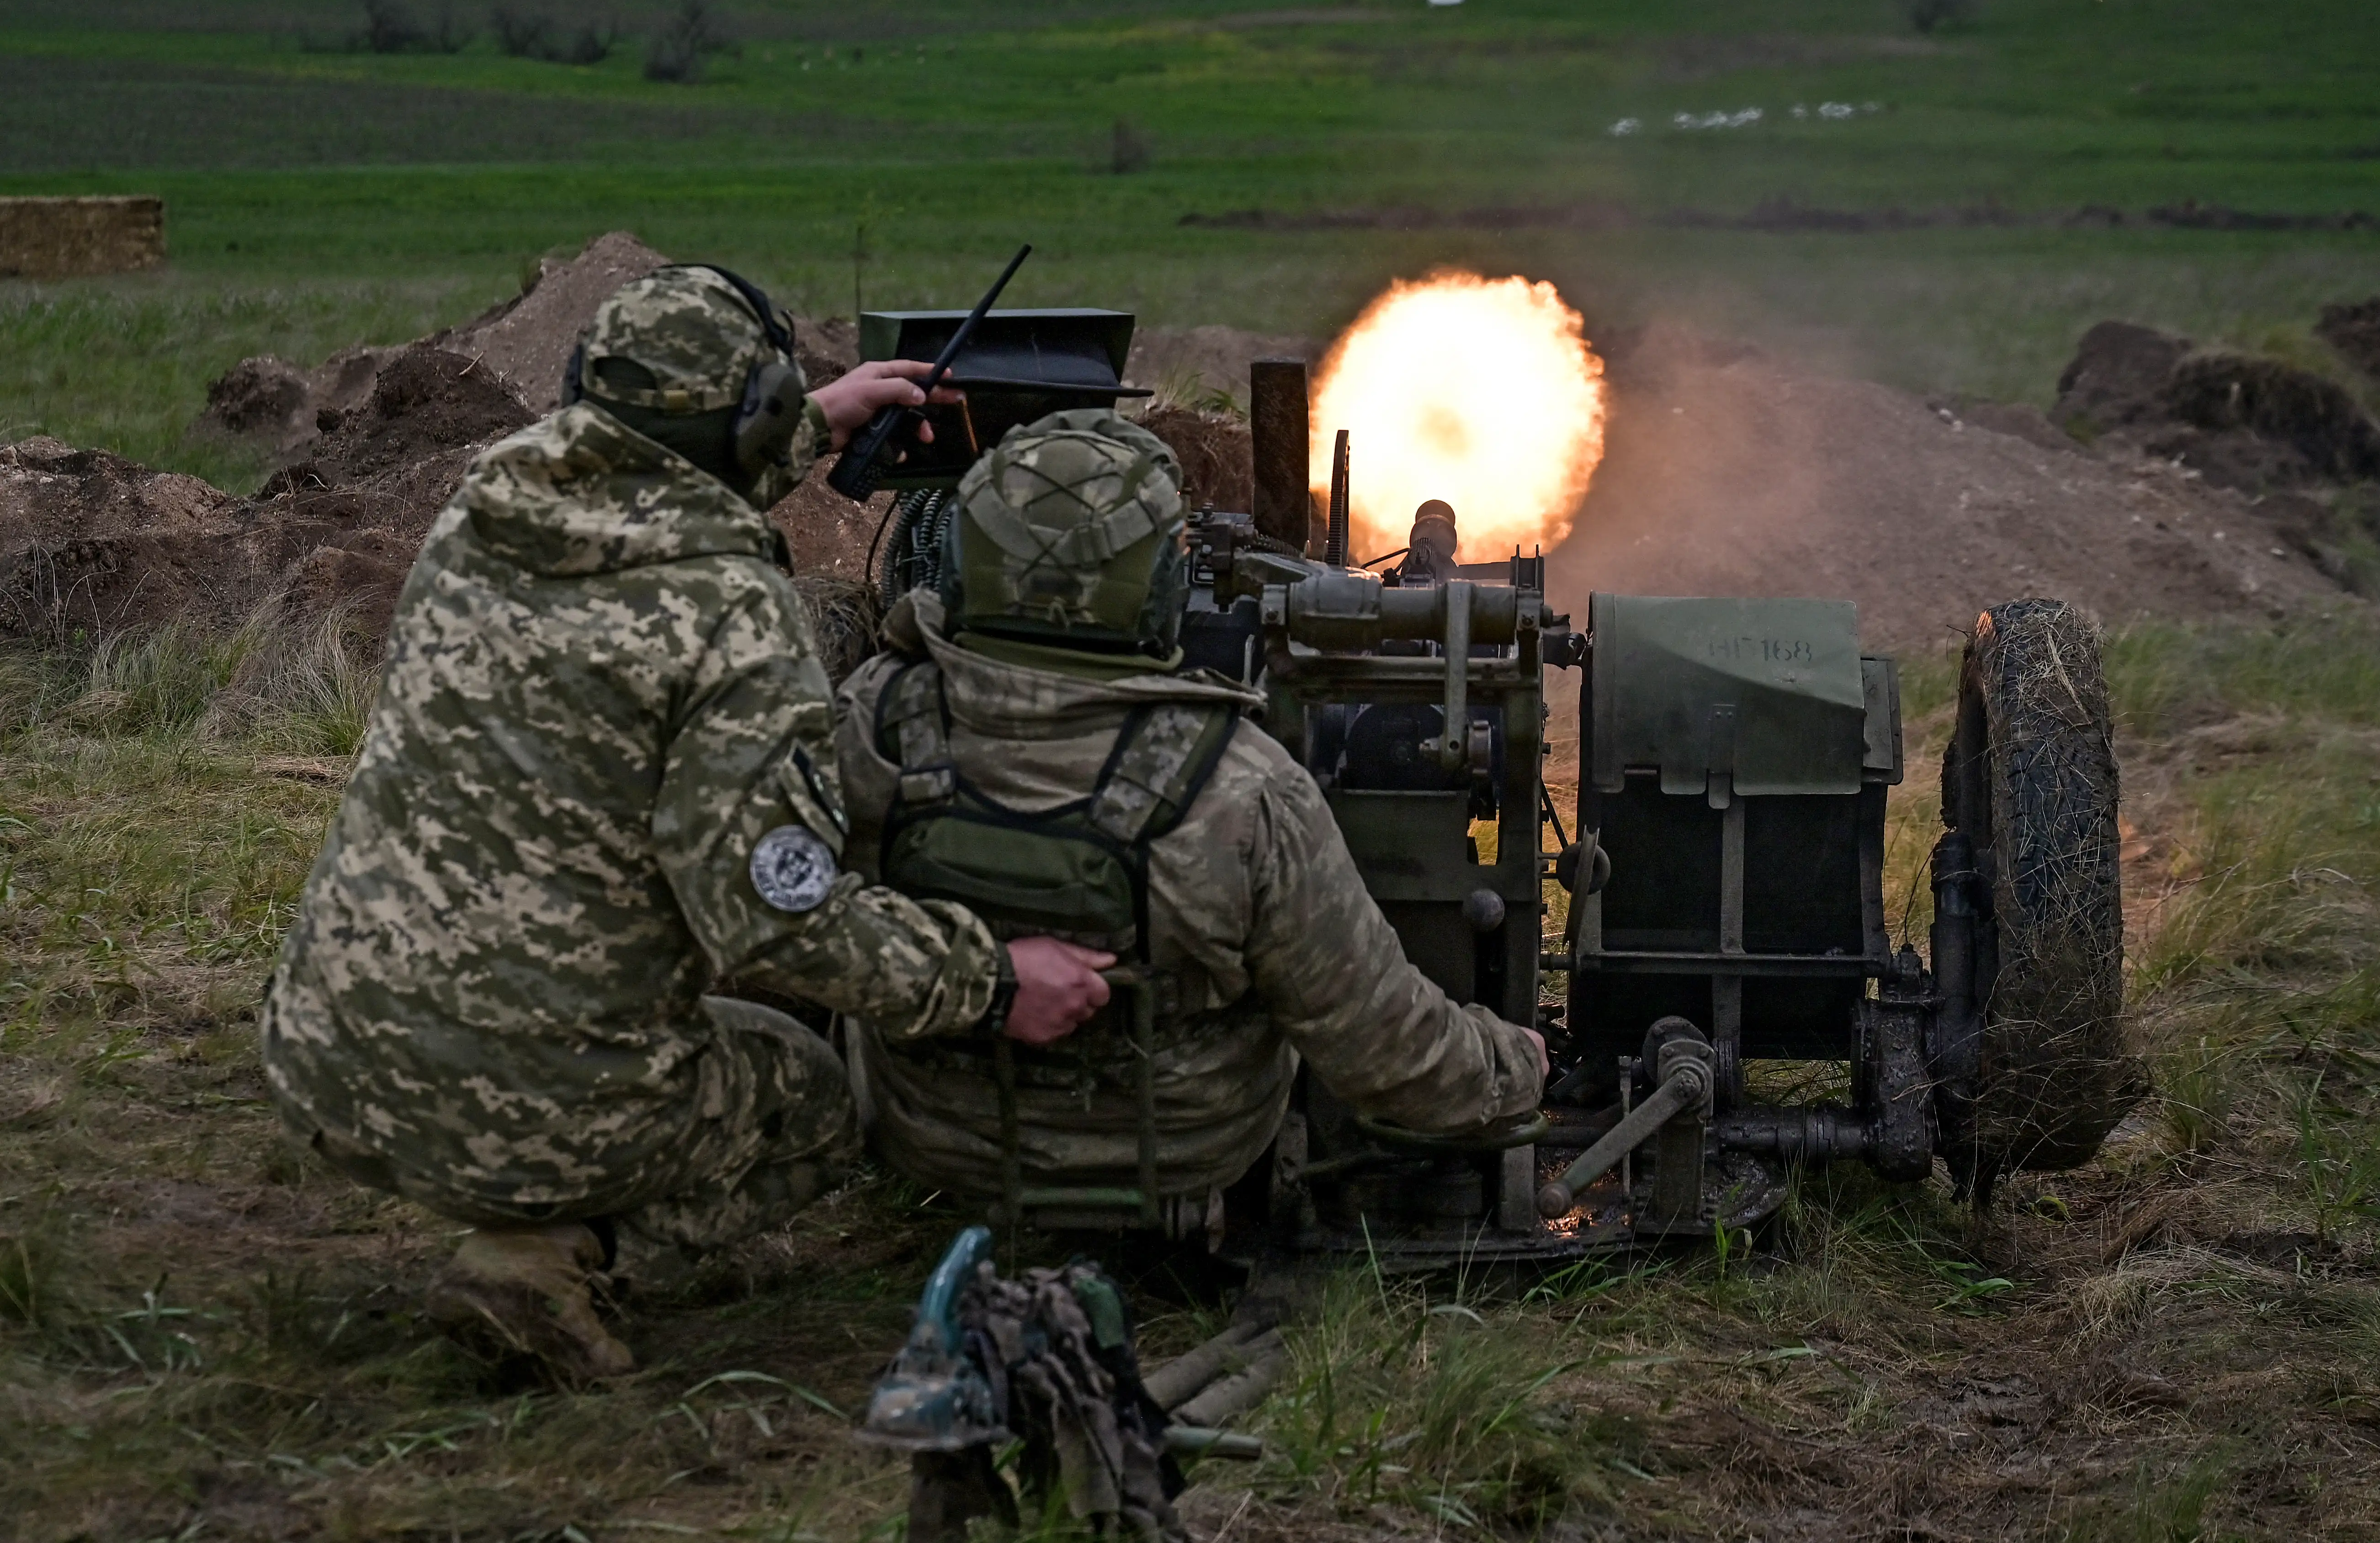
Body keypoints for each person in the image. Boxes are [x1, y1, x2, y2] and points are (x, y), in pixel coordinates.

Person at [259, 265, 1113, 1382]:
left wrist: (810, 424)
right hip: (500, 1104)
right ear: (749, 416)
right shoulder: (733, 621)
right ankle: (552, 1251)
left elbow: (646, 490)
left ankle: (527, 1207)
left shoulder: (488, 505)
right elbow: (777, 921)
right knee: (817, 1091)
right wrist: (995, 979)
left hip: (326, 1055)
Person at [832, 409, 1547, 1219]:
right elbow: (1383, 1048)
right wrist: (1512, 1064)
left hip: (929, 1136)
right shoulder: (1241, 788)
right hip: (1172, 1149)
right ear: (1159, 590)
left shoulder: (871, 720)